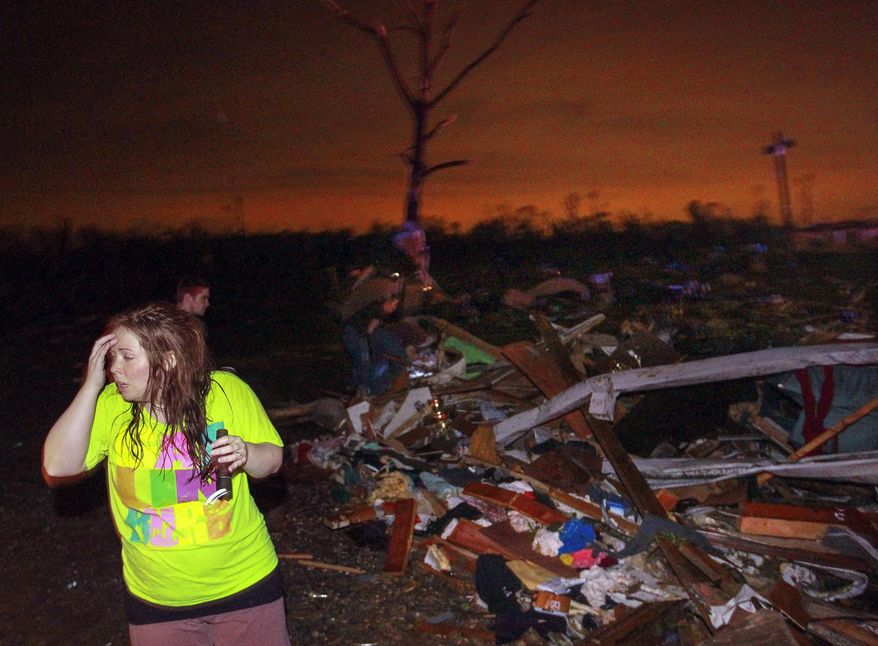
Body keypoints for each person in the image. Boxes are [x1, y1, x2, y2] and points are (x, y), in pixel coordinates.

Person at [42, 302, 290, 645]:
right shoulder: (112, 406)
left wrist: (247, 452)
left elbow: (273, 461)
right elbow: (57, 466)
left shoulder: (225, 392)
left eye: (127, 357)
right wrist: (90, 386)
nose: (117, 369)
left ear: (169, 359)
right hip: (156, 600)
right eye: (112, 358)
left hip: (245, 584)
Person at [338, 272, 409, 398]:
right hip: (354, 330)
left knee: (378, 361)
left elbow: (388, 319)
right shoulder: (377, 295)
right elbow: (368, 321)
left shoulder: (393, 297)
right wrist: (368, 337)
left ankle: (371, 388)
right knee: (363, 360)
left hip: (370, 331)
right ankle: (357, 389)